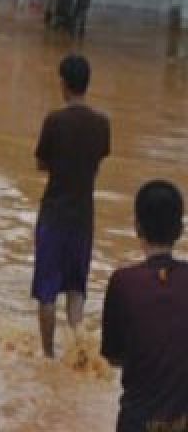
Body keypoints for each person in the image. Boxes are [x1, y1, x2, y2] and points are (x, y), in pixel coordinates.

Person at [32, 54, 111, 358]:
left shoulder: (54, 121)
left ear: (64, 84)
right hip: (83, 217)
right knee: (77, 289)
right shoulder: (102, 124)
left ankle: (49, 355)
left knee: (47, 291)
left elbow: (41, 162)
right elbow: (97, 163)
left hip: (54, 214)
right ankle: (79, 352)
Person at [102, 180, 188, 432]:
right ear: (180, 230)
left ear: (137, 228)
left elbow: (113, 356)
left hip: (137, 423)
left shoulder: (123, 282)